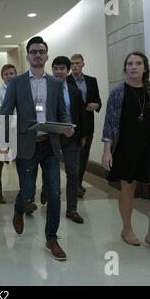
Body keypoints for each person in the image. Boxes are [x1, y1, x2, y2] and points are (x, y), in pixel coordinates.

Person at [0, 36, 73, 261]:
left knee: (54, 194)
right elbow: (4, 113)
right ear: (28, 56)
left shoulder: (56, 83)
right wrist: (3, 145)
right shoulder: (17, 83)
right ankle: (19, 209)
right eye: (33, 52)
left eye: (41, 51)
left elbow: (62, 111)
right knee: (28, 192)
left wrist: (67, 125)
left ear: (46, 55)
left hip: (50, 145)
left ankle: (51, 238)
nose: (37, 55)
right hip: (26, 145)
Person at [102, 51, 150, 257]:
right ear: (125, 68)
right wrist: (107, 151)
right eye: (129, 64)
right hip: (127, 146)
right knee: (128, 187)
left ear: (145, 68)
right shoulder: (119, 92)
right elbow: (110, 123)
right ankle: (127, 228)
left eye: (138, 63)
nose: (133, 67)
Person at [50, 56, 88, 224]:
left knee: (73, 172)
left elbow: (81, 115)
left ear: (67, 71)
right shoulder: (45, 89)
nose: (58, 72)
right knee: (50, 172)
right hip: (52, 137)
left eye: (62, 69)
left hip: (72, 137)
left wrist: (83, 136)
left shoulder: (74, 90)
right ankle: (46, 190)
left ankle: (71, 209)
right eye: (55, 68)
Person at [67, 54, 102, 198]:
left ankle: (79, 183)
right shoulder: (65, 81)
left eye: (77, 63)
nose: (74, 66)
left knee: (84, 153)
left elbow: (97, 99)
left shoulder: (91, 81)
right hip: (72, 123)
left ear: (83, 64)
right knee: (74, 155)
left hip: (88, 122)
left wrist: (97, 105)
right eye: (72, 63)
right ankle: (73, 184)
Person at [0, 64, 17, 204]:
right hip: (3, 132)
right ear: (2, 77)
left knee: (23, 164)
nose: (9, 76)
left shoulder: (22, 90)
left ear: (15, 75)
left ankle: (26, 194)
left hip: (19, 133)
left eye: (11, 73)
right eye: (6, 74)